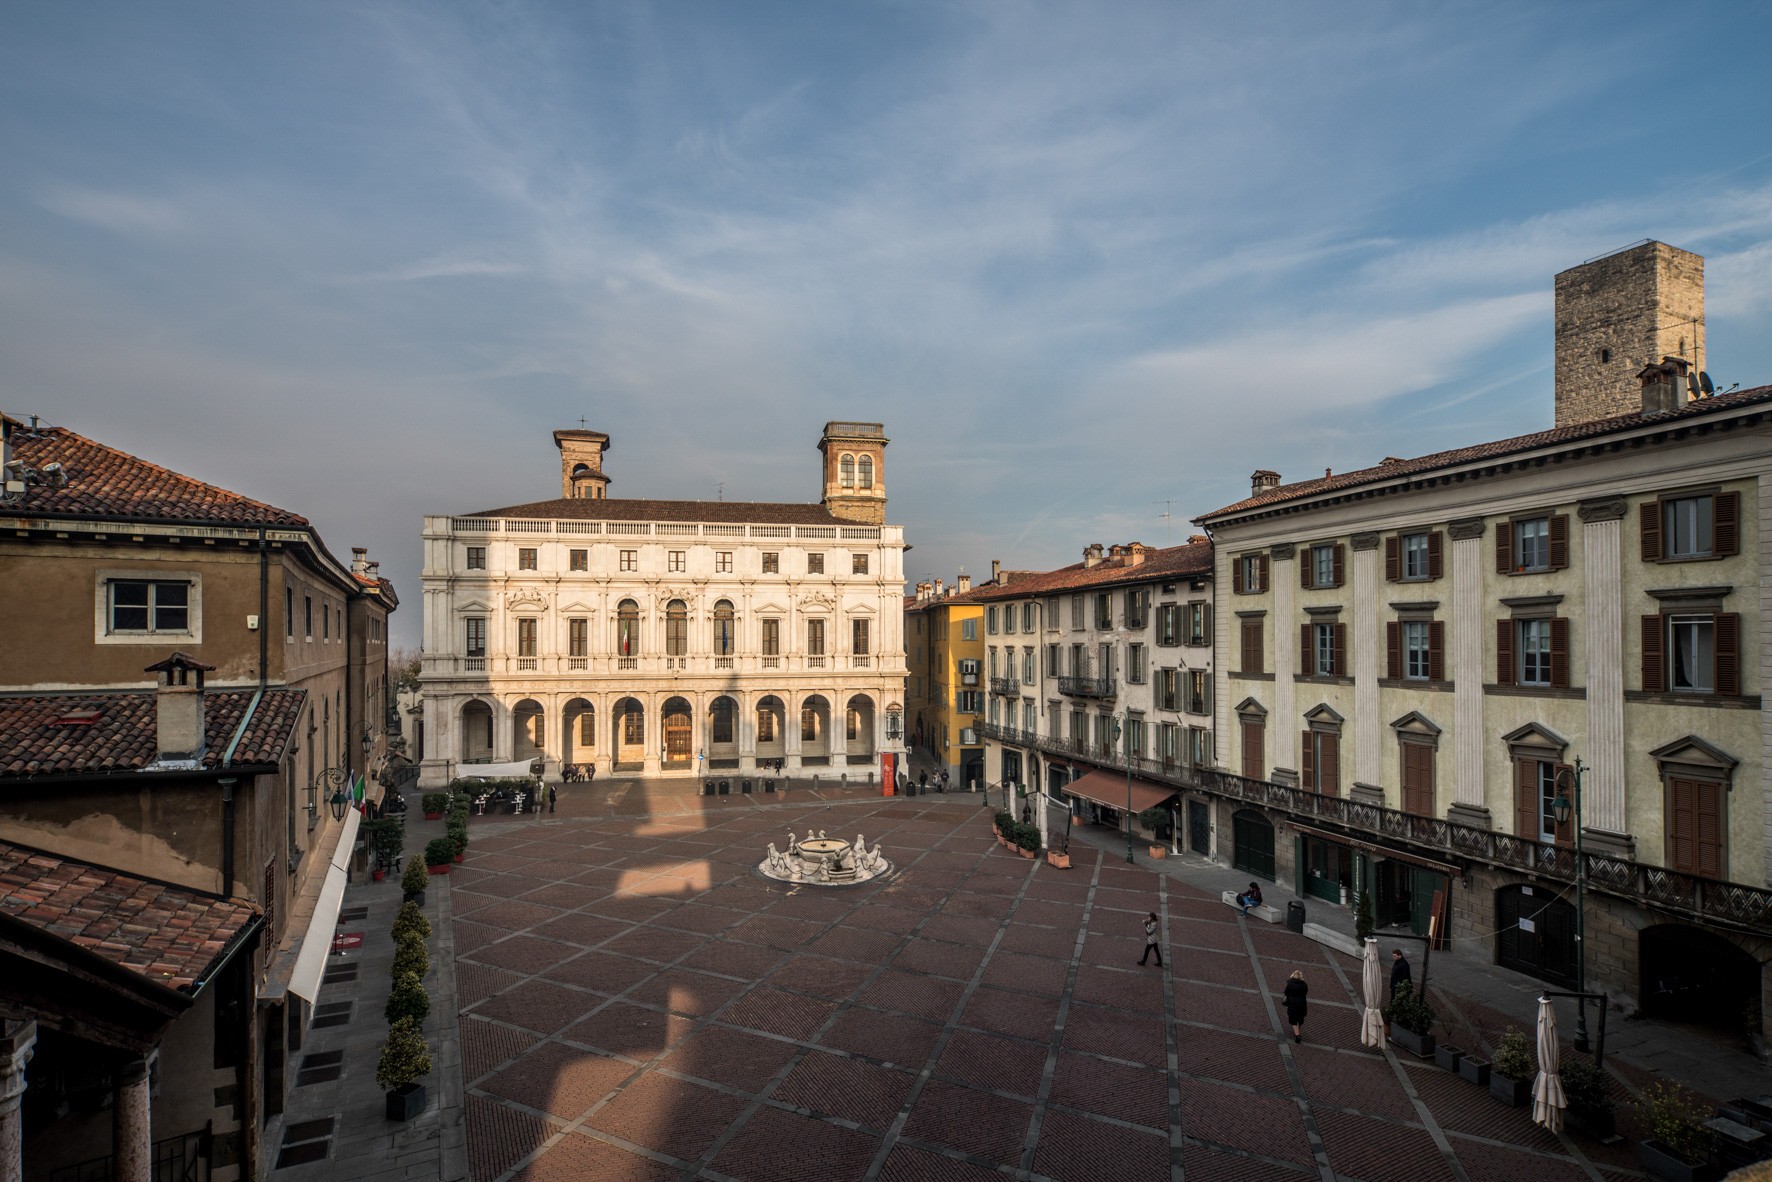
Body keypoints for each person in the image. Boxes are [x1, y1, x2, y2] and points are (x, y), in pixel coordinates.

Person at [1284, 970, 1308, 1043]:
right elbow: (1305, 992)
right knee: (1299, 1018)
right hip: (1302, 1004)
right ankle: (1298, 1031)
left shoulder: (1290, 984)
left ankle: (1297, 1036)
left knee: (1293, 1020)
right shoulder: (1304, 984)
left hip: (1293, 1004)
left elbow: (1286, 992)